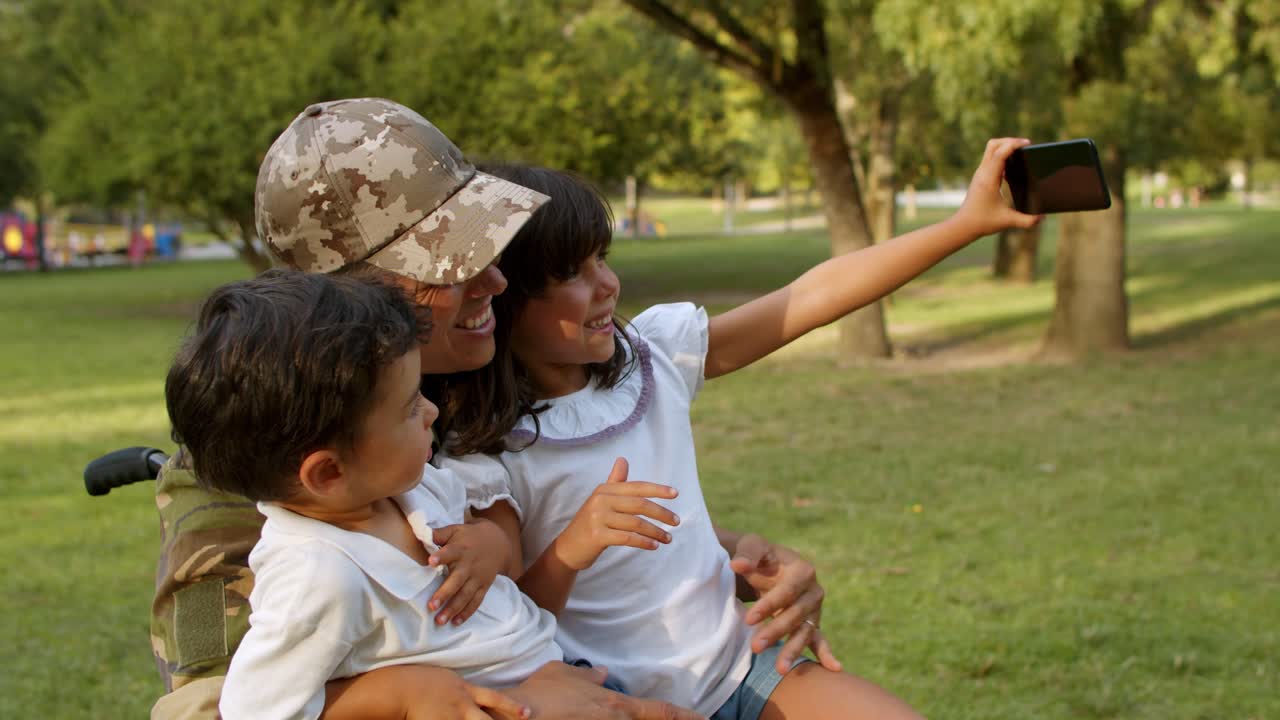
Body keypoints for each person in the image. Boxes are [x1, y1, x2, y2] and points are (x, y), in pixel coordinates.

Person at [150, 97, 829, 720]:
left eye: (488, 245)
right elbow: (215, 705)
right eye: (450, 263)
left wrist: (741, 559)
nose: (496, 281)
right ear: (348, 299)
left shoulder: (481, 378)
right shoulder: (247, 469)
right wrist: (428, 695)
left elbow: (563, 525)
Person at [435, 147, 1042, 720]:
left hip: (742, 669)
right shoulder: (486, 451)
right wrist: (574, 545)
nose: (607, 286)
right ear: (500, 295)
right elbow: (514, 622)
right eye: (572, 272)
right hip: (617, 701)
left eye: (604, 259)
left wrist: (965, 224)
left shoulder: (651, 360)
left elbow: (811, 295)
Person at [166, 269, 644, 718]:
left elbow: (480, 537)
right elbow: (255, 710)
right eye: (410, 404)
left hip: (563, 676)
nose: (431, 411)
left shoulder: (401, 491)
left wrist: (489, 544)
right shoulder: (317, 577)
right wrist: (403, 692)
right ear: (328, 473)